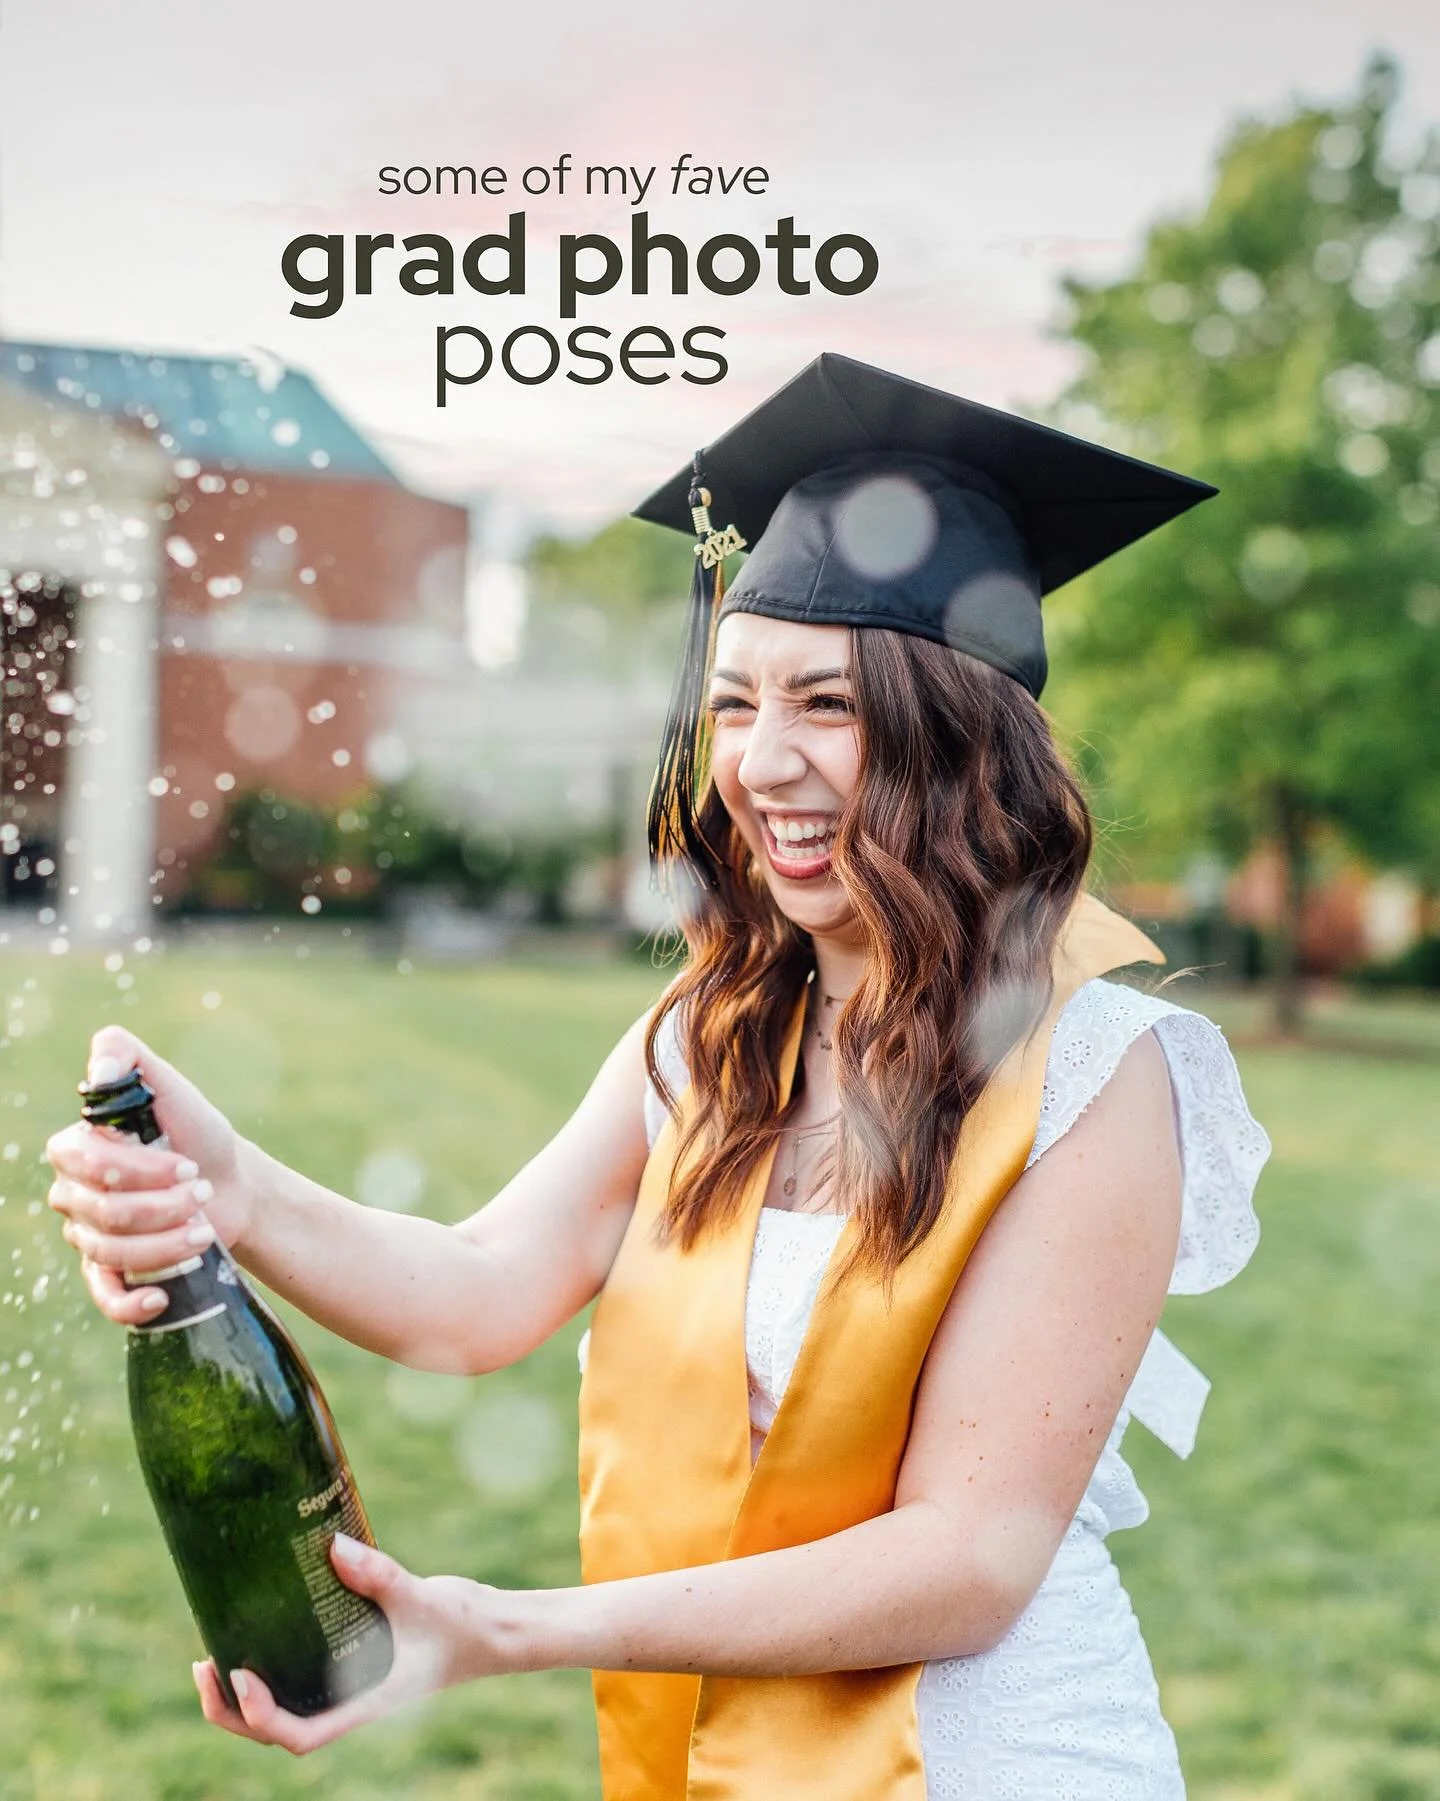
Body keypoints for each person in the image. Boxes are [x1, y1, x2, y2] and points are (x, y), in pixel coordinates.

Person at [46, 354, 1270, 1798]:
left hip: (992, 1764)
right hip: (718, 1761)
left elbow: (968, 1560)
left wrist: (509, 1631)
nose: (763, 762)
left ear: (960, 739)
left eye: (829, 702)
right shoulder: (714, 1038)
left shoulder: (1096, 1075)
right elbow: (477, 1289)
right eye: (735, 702)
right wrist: (228, 1186)